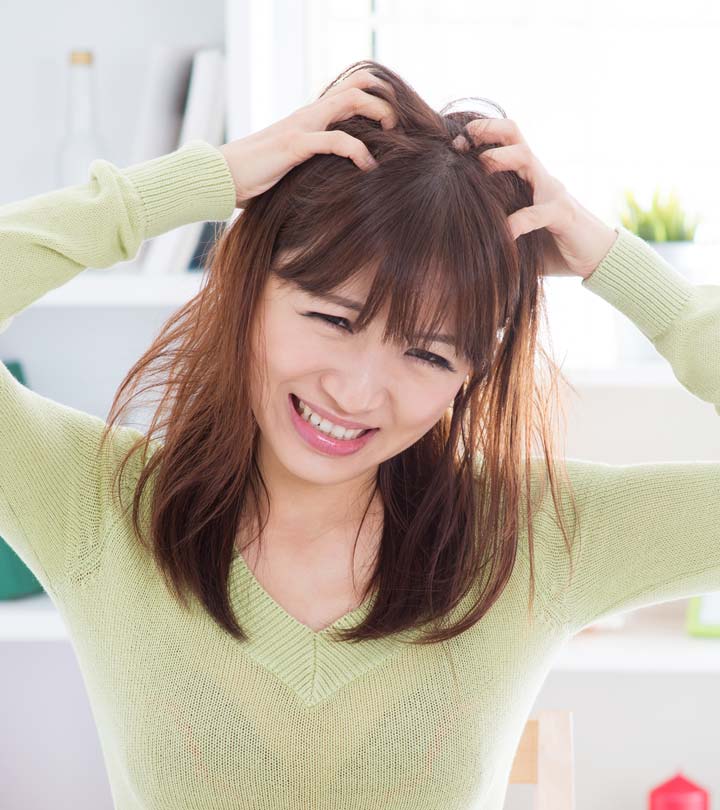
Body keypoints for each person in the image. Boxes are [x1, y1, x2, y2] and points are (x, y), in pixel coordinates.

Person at [1, 58, 718, 810]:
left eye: (428, 353)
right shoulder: (101, 507)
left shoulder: (534, 537)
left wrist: (610, 257)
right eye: (334, 318)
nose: (355, 392)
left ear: (470, 374)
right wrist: (209, 179)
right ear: (253, 289)